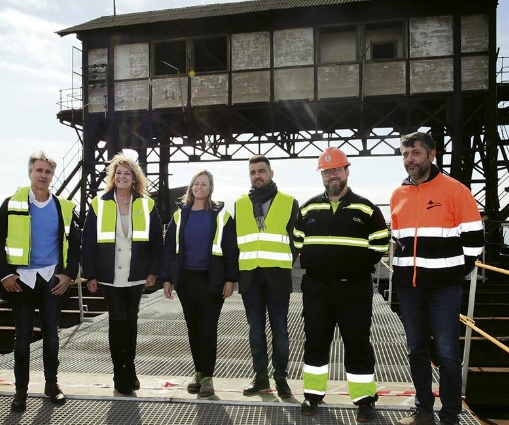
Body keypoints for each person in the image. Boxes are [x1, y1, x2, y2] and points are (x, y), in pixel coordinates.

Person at [390, 132, 484, 425]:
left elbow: (475, 241)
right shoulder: (397, 195)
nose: (410, 160)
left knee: (447, 353)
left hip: (444, 289)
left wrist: (454, 274)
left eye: (415, 153)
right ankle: (424, 408)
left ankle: (451, 414)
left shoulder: (455, 191)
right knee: (416, 349)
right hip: (410, 288)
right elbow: (397, 240)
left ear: (432, 154)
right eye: (405, 154)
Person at [293, 147, 389, 421]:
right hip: (317, 289)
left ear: (346, 171)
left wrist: (352, 266)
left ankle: (364, 400)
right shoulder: (309, 207)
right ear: (322, 175)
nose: (332, 175)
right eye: (326, 171)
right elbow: (299, 241)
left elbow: (380, 244)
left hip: (354, 289)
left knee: (358, 344)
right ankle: (312, 395)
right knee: (315, 343)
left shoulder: (366, 208)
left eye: (336, 169)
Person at [0, 151, 80, 412]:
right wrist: (5, 274)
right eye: (39, 171)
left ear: (52, 176)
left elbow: (74, 245)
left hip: (52, 279)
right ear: (30, 173)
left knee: (52, 336)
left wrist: (68, 274)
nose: (43, 175)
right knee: (22, 338)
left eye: (48, 172)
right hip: (22, 281)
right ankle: (21, 391)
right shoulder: (12, 203)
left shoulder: (63, 207)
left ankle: (52, 385)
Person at [82, 153, 163, 396]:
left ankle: (131, 369)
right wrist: (90, 274)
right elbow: (88, 242)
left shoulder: (147, 204)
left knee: (131, 321)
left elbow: (156, 242)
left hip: (136, 273)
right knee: (117, 320)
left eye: (127, 173)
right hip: (109, 274)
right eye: (118, 173)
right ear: (113, 177)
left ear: (134, 177)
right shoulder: (99, 203)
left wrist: (153, 271)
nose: (122, 176)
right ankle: (120, 373)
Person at [160, 170, 239, 398]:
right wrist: (167, 278)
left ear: (210, 187)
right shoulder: (179, 215)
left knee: (207, 329)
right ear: (191, 187)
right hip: (186, 280)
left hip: (211, 280)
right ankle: (198, 371)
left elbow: (231, 249)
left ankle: (207, 377)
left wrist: (230, 278)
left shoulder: (222, 215)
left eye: (204, 184)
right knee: (193, 328)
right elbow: (169, 250)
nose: (199, 187)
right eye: (196, 183)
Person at [234, 154, 299, 398]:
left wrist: (283, 263)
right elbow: (236, 241)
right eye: (253, 172)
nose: (257, 175)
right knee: (255, 330)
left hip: (277, 277)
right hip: (250, 276)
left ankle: (281, 378)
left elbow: (296, 241)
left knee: (280, 330)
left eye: (261, 171)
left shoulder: (288, 202)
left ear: (271, 173)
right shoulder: (240, 204)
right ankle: (260, 378)